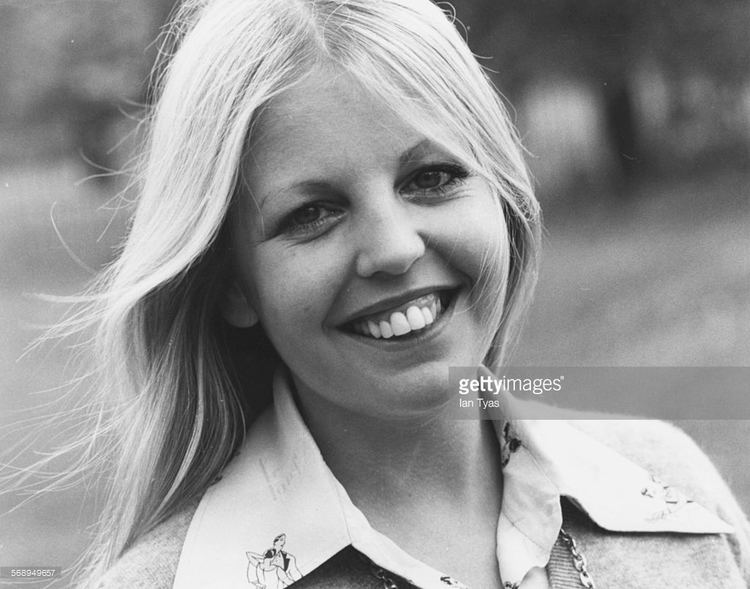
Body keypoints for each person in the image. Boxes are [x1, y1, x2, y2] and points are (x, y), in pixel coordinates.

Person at [70, 0, 750, 587]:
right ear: (233, 286)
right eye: (312, 213)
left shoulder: (673, 492)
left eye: (430, 177)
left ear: (503, 196)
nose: (395, 248)